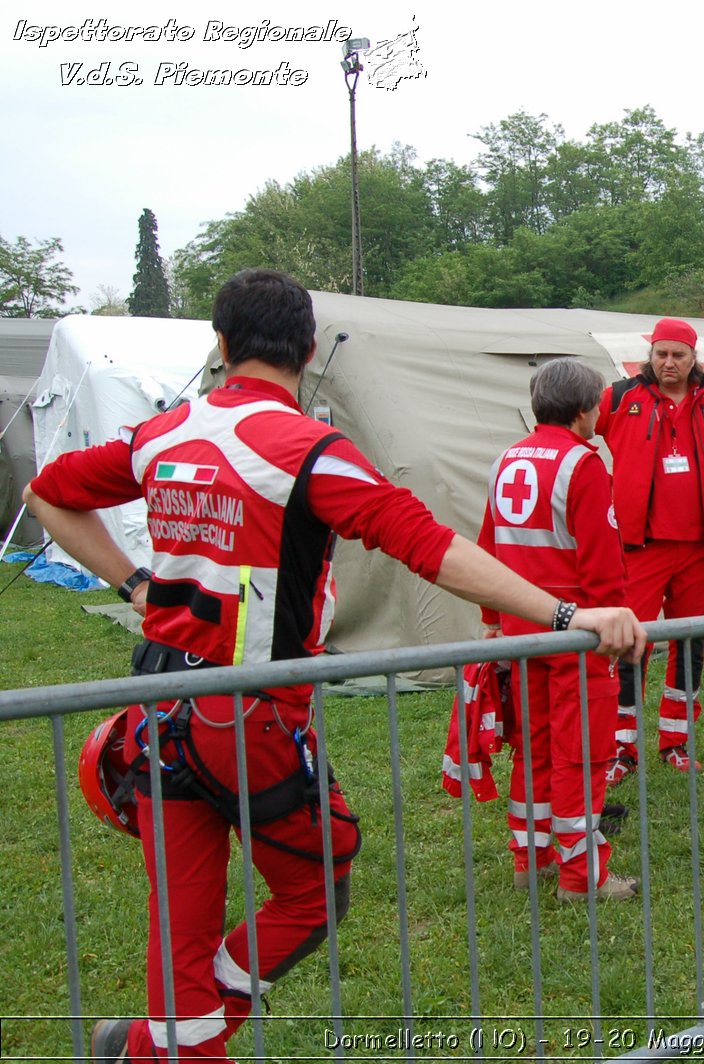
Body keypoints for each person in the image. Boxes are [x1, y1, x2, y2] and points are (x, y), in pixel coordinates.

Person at [24, 269, 645, 1063]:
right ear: (309, 351)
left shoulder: (162, 433)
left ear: (220, 344)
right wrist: (565, 614)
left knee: (180, 926)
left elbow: (49, 492)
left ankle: (163, 1044)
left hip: (158, 706)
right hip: (251, 713)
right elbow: (428, 545)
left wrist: (135, 583)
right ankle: (170, 1037)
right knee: (320, 883)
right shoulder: (306, 449)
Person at [476, 359, 636, 902]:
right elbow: (602, 562)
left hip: (521, 636)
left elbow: (487, 548)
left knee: (533, 747)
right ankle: (581, 877)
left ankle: (531, 859)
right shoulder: (582, 464)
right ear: (586, 408)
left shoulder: (506, 458)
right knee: (582, 755)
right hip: (576, 636)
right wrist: (612, 625)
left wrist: (493, 621)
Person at [594, 318, 704, 779]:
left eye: (678, 355)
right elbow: (576, 434)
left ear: (693, 357)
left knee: (691, 644)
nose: (669, 363)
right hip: (639, 548)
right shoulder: (620, 397)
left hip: (702, 551)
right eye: (661, 354)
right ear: (650, 354)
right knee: (629, 645)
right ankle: (621, 747)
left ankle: (676, 741)